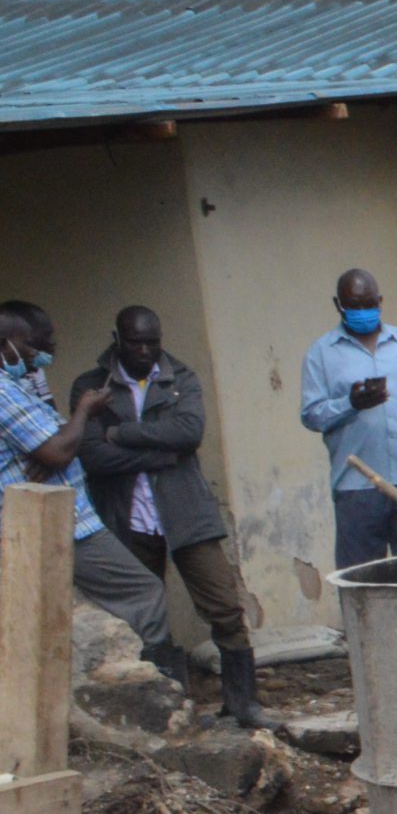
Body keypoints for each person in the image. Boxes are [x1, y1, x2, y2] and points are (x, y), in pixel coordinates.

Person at [71, 306, 268, 727]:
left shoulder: (180, 378)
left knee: (224, 606)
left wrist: (120, 433)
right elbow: (92, 456)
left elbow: (189, 434)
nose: (145, 350)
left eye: (152, 341)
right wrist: (162, 452)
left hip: (185, 513)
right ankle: (168, 710)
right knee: (141, 614)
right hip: (125, 517)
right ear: (117, 339)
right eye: (135, 342)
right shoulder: (91, 387)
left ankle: (244, 705)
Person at [0, 304, 187, 689]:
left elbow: (188, 433)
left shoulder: (24, 382)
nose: (40, 353)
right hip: (65, 526)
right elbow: (60, 450)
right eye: (31, 346)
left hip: (55, 518)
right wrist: (84, 413)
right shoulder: (4, 390)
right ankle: (158, 690)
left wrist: (62, 444)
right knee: (144, 590)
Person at [300, 268, 397, 570]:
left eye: (368, 304)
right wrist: (350, 403)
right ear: (338, 305)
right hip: (357, 486)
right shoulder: (321, 353)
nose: (362, 312)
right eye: (354, 305)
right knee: (362, 580)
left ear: (380, 301)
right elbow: (311, 415)